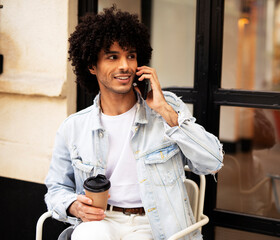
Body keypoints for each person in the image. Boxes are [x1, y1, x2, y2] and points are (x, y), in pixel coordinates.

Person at [45, 6, 224, 240]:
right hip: (102, 220)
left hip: (155, 223)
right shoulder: (74, 127)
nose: (125, 66)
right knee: (87, 235)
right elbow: (56, 188)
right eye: (113, 56)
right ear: (91, 66)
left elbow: (212, 163)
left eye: (130, 55)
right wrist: (72, 206)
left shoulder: (167, 109)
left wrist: (166, 112)